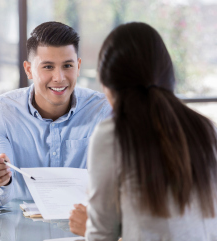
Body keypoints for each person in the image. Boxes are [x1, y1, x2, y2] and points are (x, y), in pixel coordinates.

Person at [69, 22, 217, 240]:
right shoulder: (206, 129)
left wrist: (90, 226)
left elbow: (102, 235)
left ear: (107, 85)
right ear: (169, 76)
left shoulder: (112, 135)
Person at [0, 21, 111, 207]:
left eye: (67, 66)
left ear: (78, 66)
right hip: (18, 230)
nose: (59, 78)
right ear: (28, 69)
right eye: (48, 67)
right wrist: (1, 181)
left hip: (84, 227)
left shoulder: (104, 111)